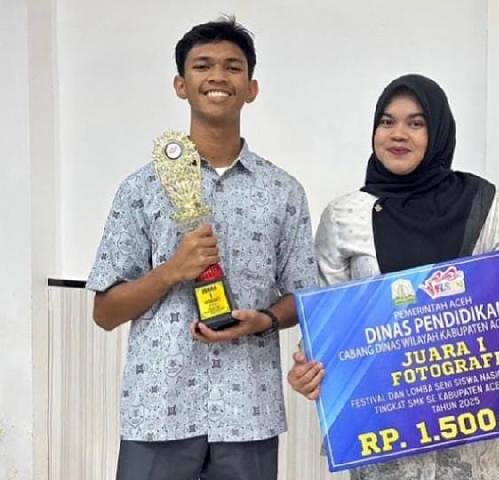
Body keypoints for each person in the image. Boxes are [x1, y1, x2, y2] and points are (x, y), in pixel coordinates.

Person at [287, 74, 499, 480]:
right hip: (387, 448)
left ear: (438, 131)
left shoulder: (483, 204)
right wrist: (310, 370)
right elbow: (328, 327)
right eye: (387, 121)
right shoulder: (344, 216)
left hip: (477, 447)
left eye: (416, 123)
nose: (398, 134)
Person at [87, 17, 317, 480]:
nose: (218, 76)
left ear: (251, 88)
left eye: (233, 67)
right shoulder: (142, 189)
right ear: (181, 84)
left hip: (248, 412)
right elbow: (105, 313)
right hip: (159, 411)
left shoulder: (283, 192)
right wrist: (171, 270)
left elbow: (304, 297)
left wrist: (265, 320)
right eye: (202, 65)